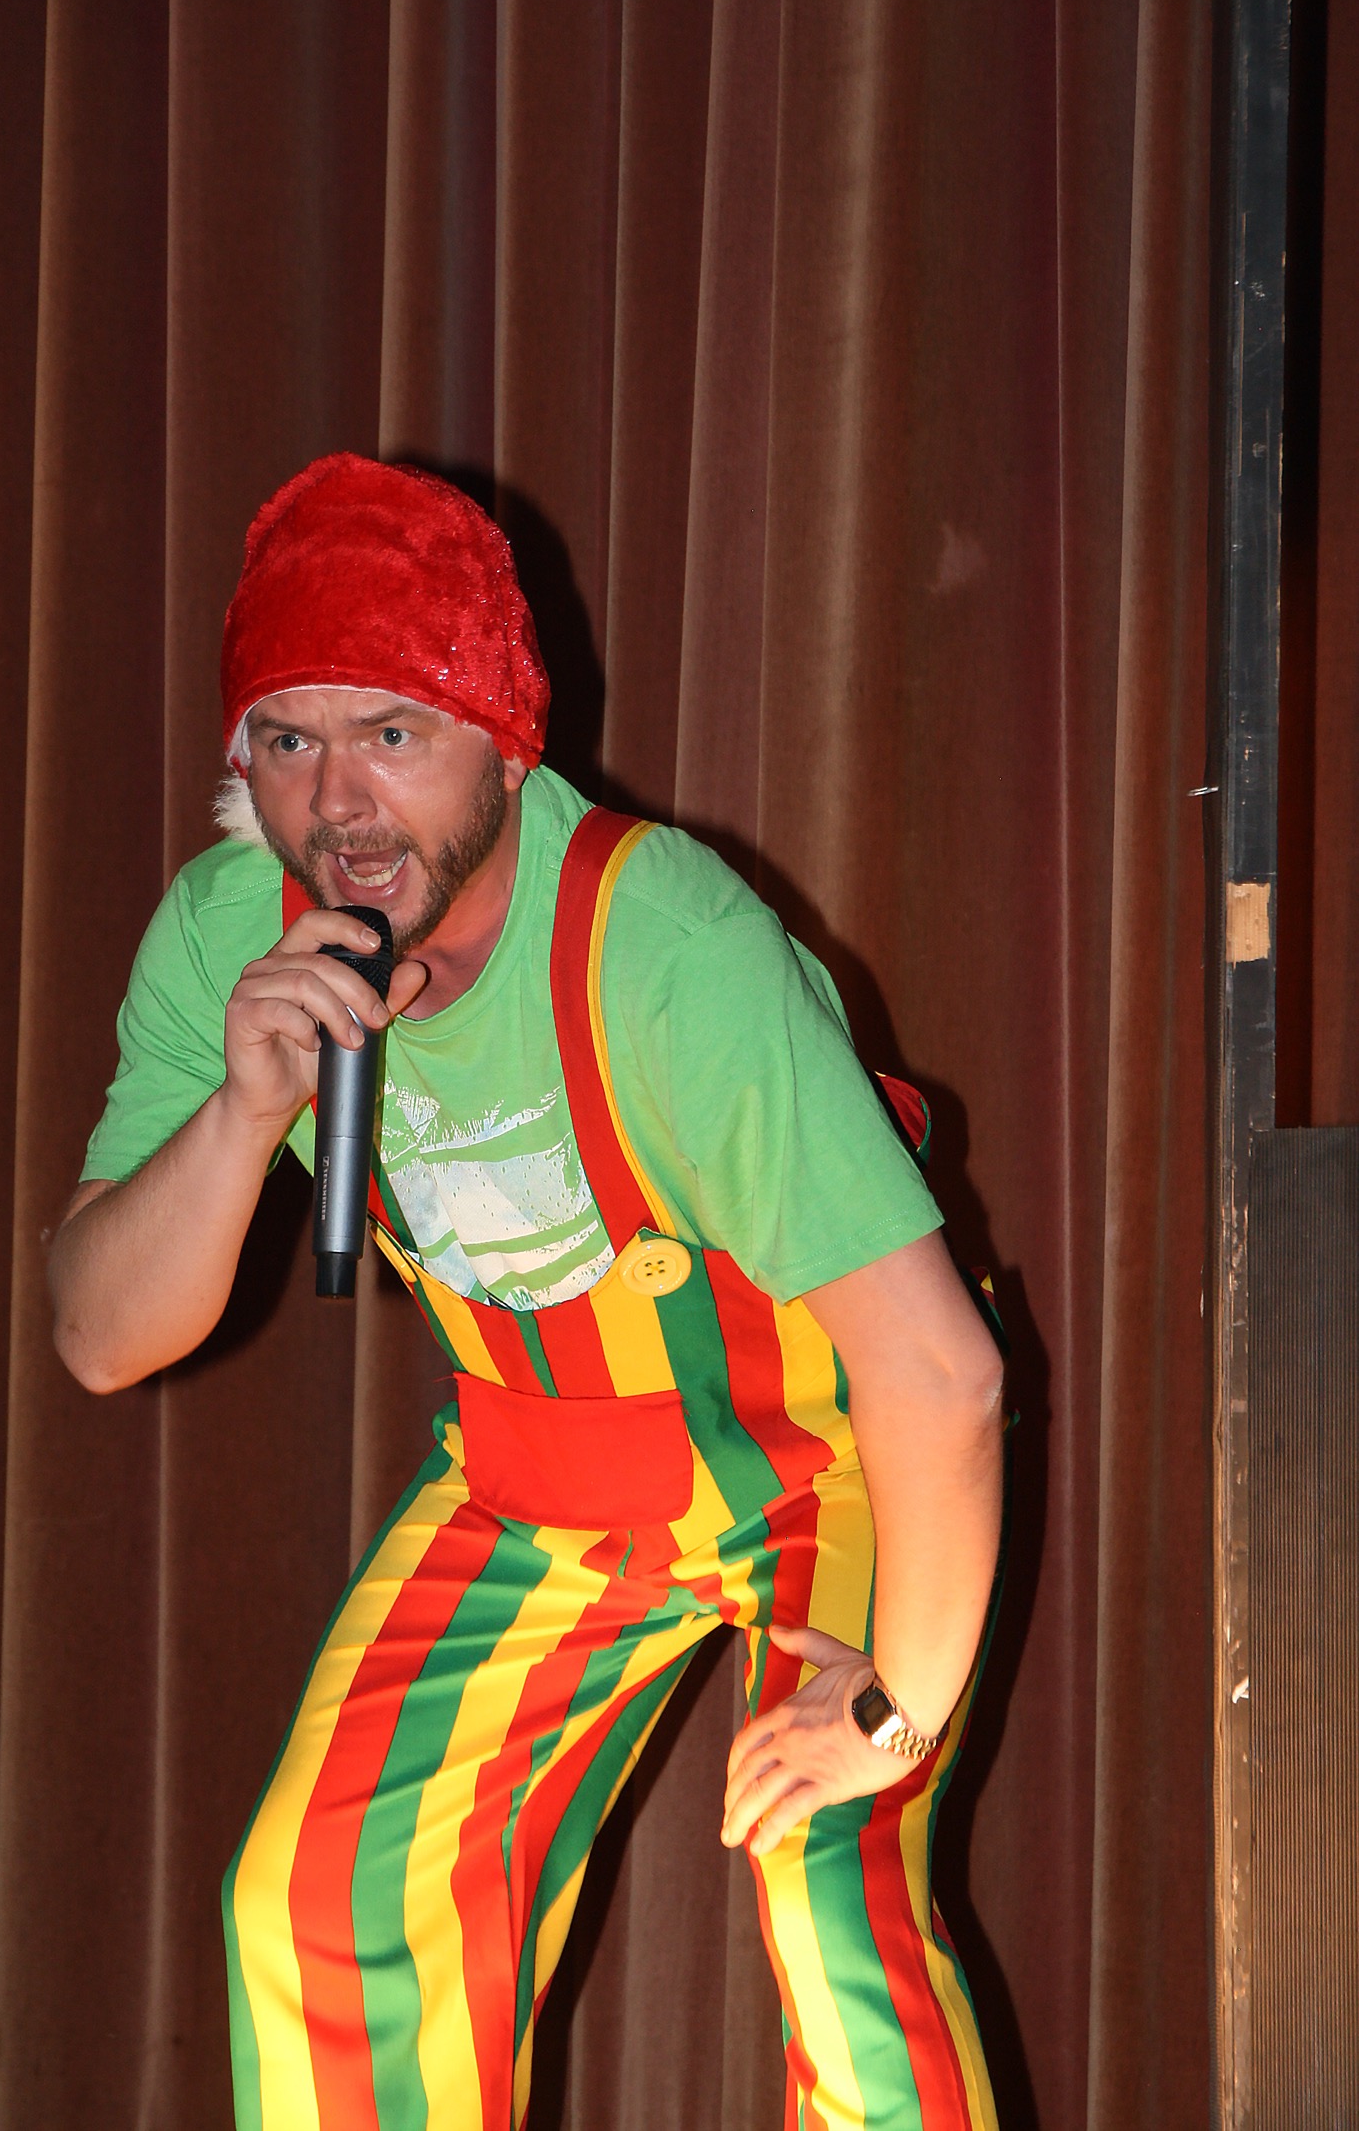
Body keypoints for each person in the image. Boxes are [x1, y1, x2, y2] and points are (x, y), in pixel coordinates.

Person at [50, 453, 1005, 2131]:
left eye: (391, 734)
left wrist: (893, 1709)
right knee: (321, 1897)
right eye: (288, 742)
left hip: (827, 1448)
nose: (339, 808)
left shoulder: (668, 947)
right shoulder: (226, 936)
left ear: (503, 742)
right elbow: (101, 1337)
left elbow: (941, 1376)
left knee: (834, 1890)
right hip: (538, 1470)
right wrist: (243, 1113)